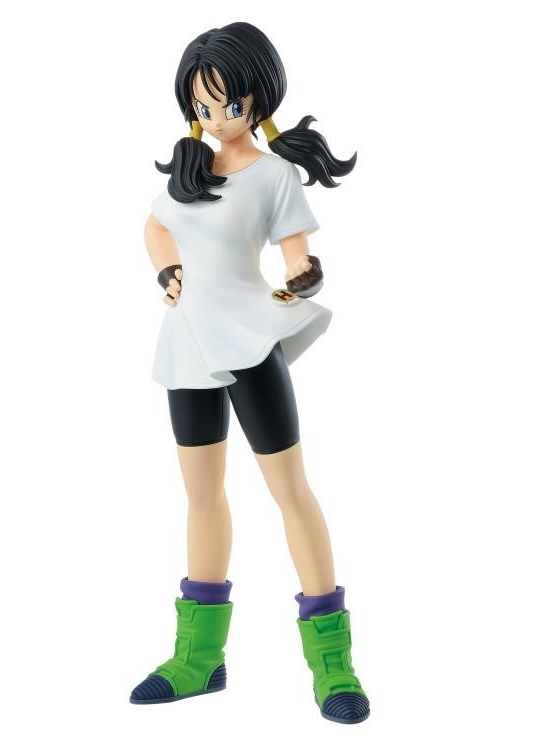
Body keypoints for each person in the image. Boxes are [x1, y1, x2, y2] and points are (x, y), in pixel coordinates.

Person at [129, 21, 369, 724]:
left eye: (228, 103)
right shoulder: (190, 173)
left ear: (256, 98)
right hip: (187, 345)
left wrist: (304, 272)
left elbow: (296, 252)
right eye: (202, 105)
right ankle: (199, 656)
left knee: (290, 490)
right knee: (202, 496)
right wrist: (167, 270)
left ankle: (333, 662)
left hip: (248, 340)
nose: (215, 117)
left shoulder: (273, 175)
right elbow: (155, 226)